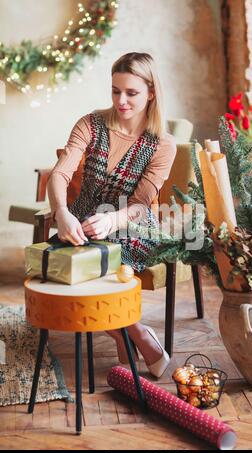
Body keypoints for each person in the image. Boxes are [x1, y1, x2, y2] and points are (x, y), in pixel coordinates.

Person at [47, 52, 177, 378]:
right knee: (58, 266)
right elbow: (59, 175)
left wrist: (110, 220)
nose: (121, 100)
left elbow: (141, 203)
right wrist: (62, 213)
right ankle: (133, 332)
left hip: (131, 223)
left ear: (151, 92)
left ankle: (131, 333)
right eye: (116, 91)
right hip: (84, 217)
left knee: (108, 264)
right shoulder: (90, 124)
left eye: (131, 93)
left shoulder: (162, 143)